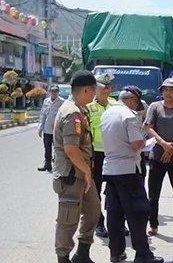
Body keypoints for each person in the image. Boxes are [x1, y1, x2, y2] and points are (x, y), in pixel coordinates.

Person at [100, 85, 164, 263]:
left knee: (114, 213)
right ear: (133, 100)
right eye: (137, 104)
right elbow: (136, 144)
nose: (137, 107)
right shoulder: (128, 115)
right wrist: (148, 141)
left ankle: (116, 252)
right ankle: (143, 255)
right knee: (138, 213)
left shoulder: (107, 113)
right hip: (128, 170)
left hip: (110, 170)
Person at [52, 70, 101, 263]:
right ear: (87, 90)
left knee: (93, 210)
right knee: (68, 219)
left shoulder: (81, 109)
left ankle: (82, 254)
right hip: (72, 175)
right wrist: (88, 171)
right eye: (94, 89)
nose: (95, 93)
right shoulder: (72, 113)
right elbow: (71, 149)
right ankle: (63, 257)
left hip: (82, 172)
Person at [144, 78, 173, 238]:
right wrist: (164, 144)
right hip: (157, 156)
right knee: (153, 193)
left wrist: (172, 147)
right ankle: (153, 224)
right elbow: (148, 127)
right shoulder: (155, 107)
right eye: (165, 90)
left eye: (172, 90)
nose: (168, 93)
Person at [86, 73, 116, 238]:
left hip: (113, 154)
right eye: (103, 86)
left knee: (114, 190)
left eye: (108, 86)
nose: (106, 89)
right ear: (94, 89)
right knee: (95, 191)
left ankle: (115, 221)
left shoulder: (116, 105)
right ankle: (99, 222)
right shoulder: (88, 107)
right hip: (95, 155)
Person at [37, 85, 65, 172]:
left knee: (57, 148)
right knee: (47, 148)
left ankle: (57, 165)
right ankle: (47, 164)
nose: (54, 93)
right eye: (52, 91)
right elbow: (43, 115)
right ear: (49, 92)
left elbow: (64, 115)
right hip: (47, 129)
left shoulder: (62, 102)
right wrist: (40, 127)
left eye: (56, 91)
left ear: (58, 92)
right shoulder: (46, 101)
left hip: (57, 130)